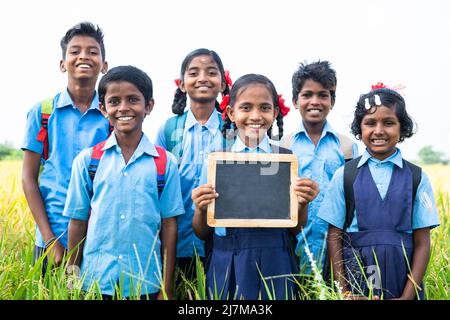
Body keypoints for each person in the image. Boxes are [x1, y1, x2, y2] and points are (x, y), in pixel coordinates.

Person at [192, 74, 319, 300]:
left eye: (264, 108)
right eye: (246, 107)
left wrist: (303, 203)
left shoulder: (286, 160)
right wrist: (201, 208)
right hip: (227, 259)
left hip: (275, 261)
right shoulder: (217, 162)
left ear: (275, 113)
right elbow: (202, 232)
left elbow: (296, 228)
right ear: (231, 113)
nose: (255, 116)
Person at [63, 66, 184, 299]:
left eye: (133, 100)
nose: (123, 108)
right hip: (95, 281)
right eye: (114, 101)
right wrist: (71, 278)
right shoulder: (88, 161)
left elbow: (169, 225)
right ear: (103, 108)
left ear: (148, 106)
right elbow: (77, 223)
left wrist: (166, 287)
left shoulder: (164, 163)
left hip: (145, 283)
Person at [318, 83, 440, 299]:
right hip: (357, 277)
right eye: (370, 123)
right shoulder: (345, 175)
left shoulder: (416, 177)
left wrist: (408, 295)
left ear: (401, 128)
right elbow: (334, 236)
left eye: (389, 123)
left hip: (402, 280)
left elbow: (422, 242)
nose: (379, 130)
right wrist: (344, 291)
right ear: (360, 128)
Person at [21, 22, 109, 271]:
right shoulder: (43, 113)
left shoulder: (111, 116)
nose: (84, 56)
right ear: (62, 64)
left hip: (97, 237)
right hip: (52, 234)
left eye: (93, 51)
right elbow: (28, 179)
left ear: (104, 65)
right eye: (75, 51)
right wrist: (49, 240)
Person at [155, 48, 231, 281]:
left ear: (222, 83)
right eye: (194, 73)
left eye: (211, 72)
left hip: (222, 242)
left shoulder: (232, 130)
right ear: (182, 84)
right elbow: (157, 186)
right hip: (176, 240)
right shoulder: (168, 129)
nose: (202, 79)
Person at [281, 61, 358, 274]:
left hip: (335, 246)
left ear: (332, 101)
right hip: (291, 244)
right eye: (307, 95)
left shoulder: (347, 147)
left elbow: (355, 199)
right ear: (295, 101)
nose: (315, 101)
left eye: (323, 95)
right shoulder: (282, 146)